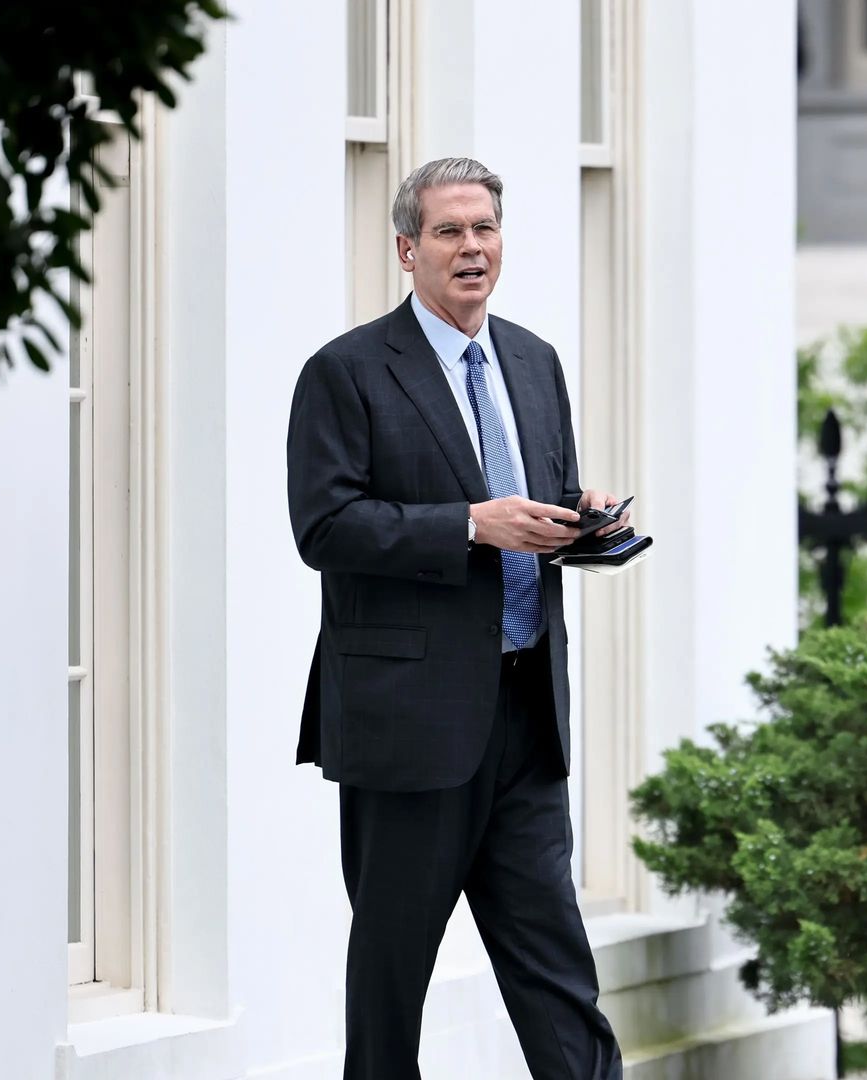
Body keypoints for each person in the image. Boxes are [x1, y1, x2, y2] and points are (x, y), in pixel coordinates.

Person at [287, 156, 629, 1080]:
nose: (471, 247)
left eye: (484, 228)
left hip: (525, 717)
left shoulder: (533, 359)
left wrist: (580, 515)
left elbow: (537, 500)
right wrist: (470, 526)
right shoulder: (346, 372)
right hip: (411, 728)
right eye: (449, 231)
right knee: (392, 982)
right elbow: (324, 527)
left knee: (560, 978)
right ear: (408, 249)